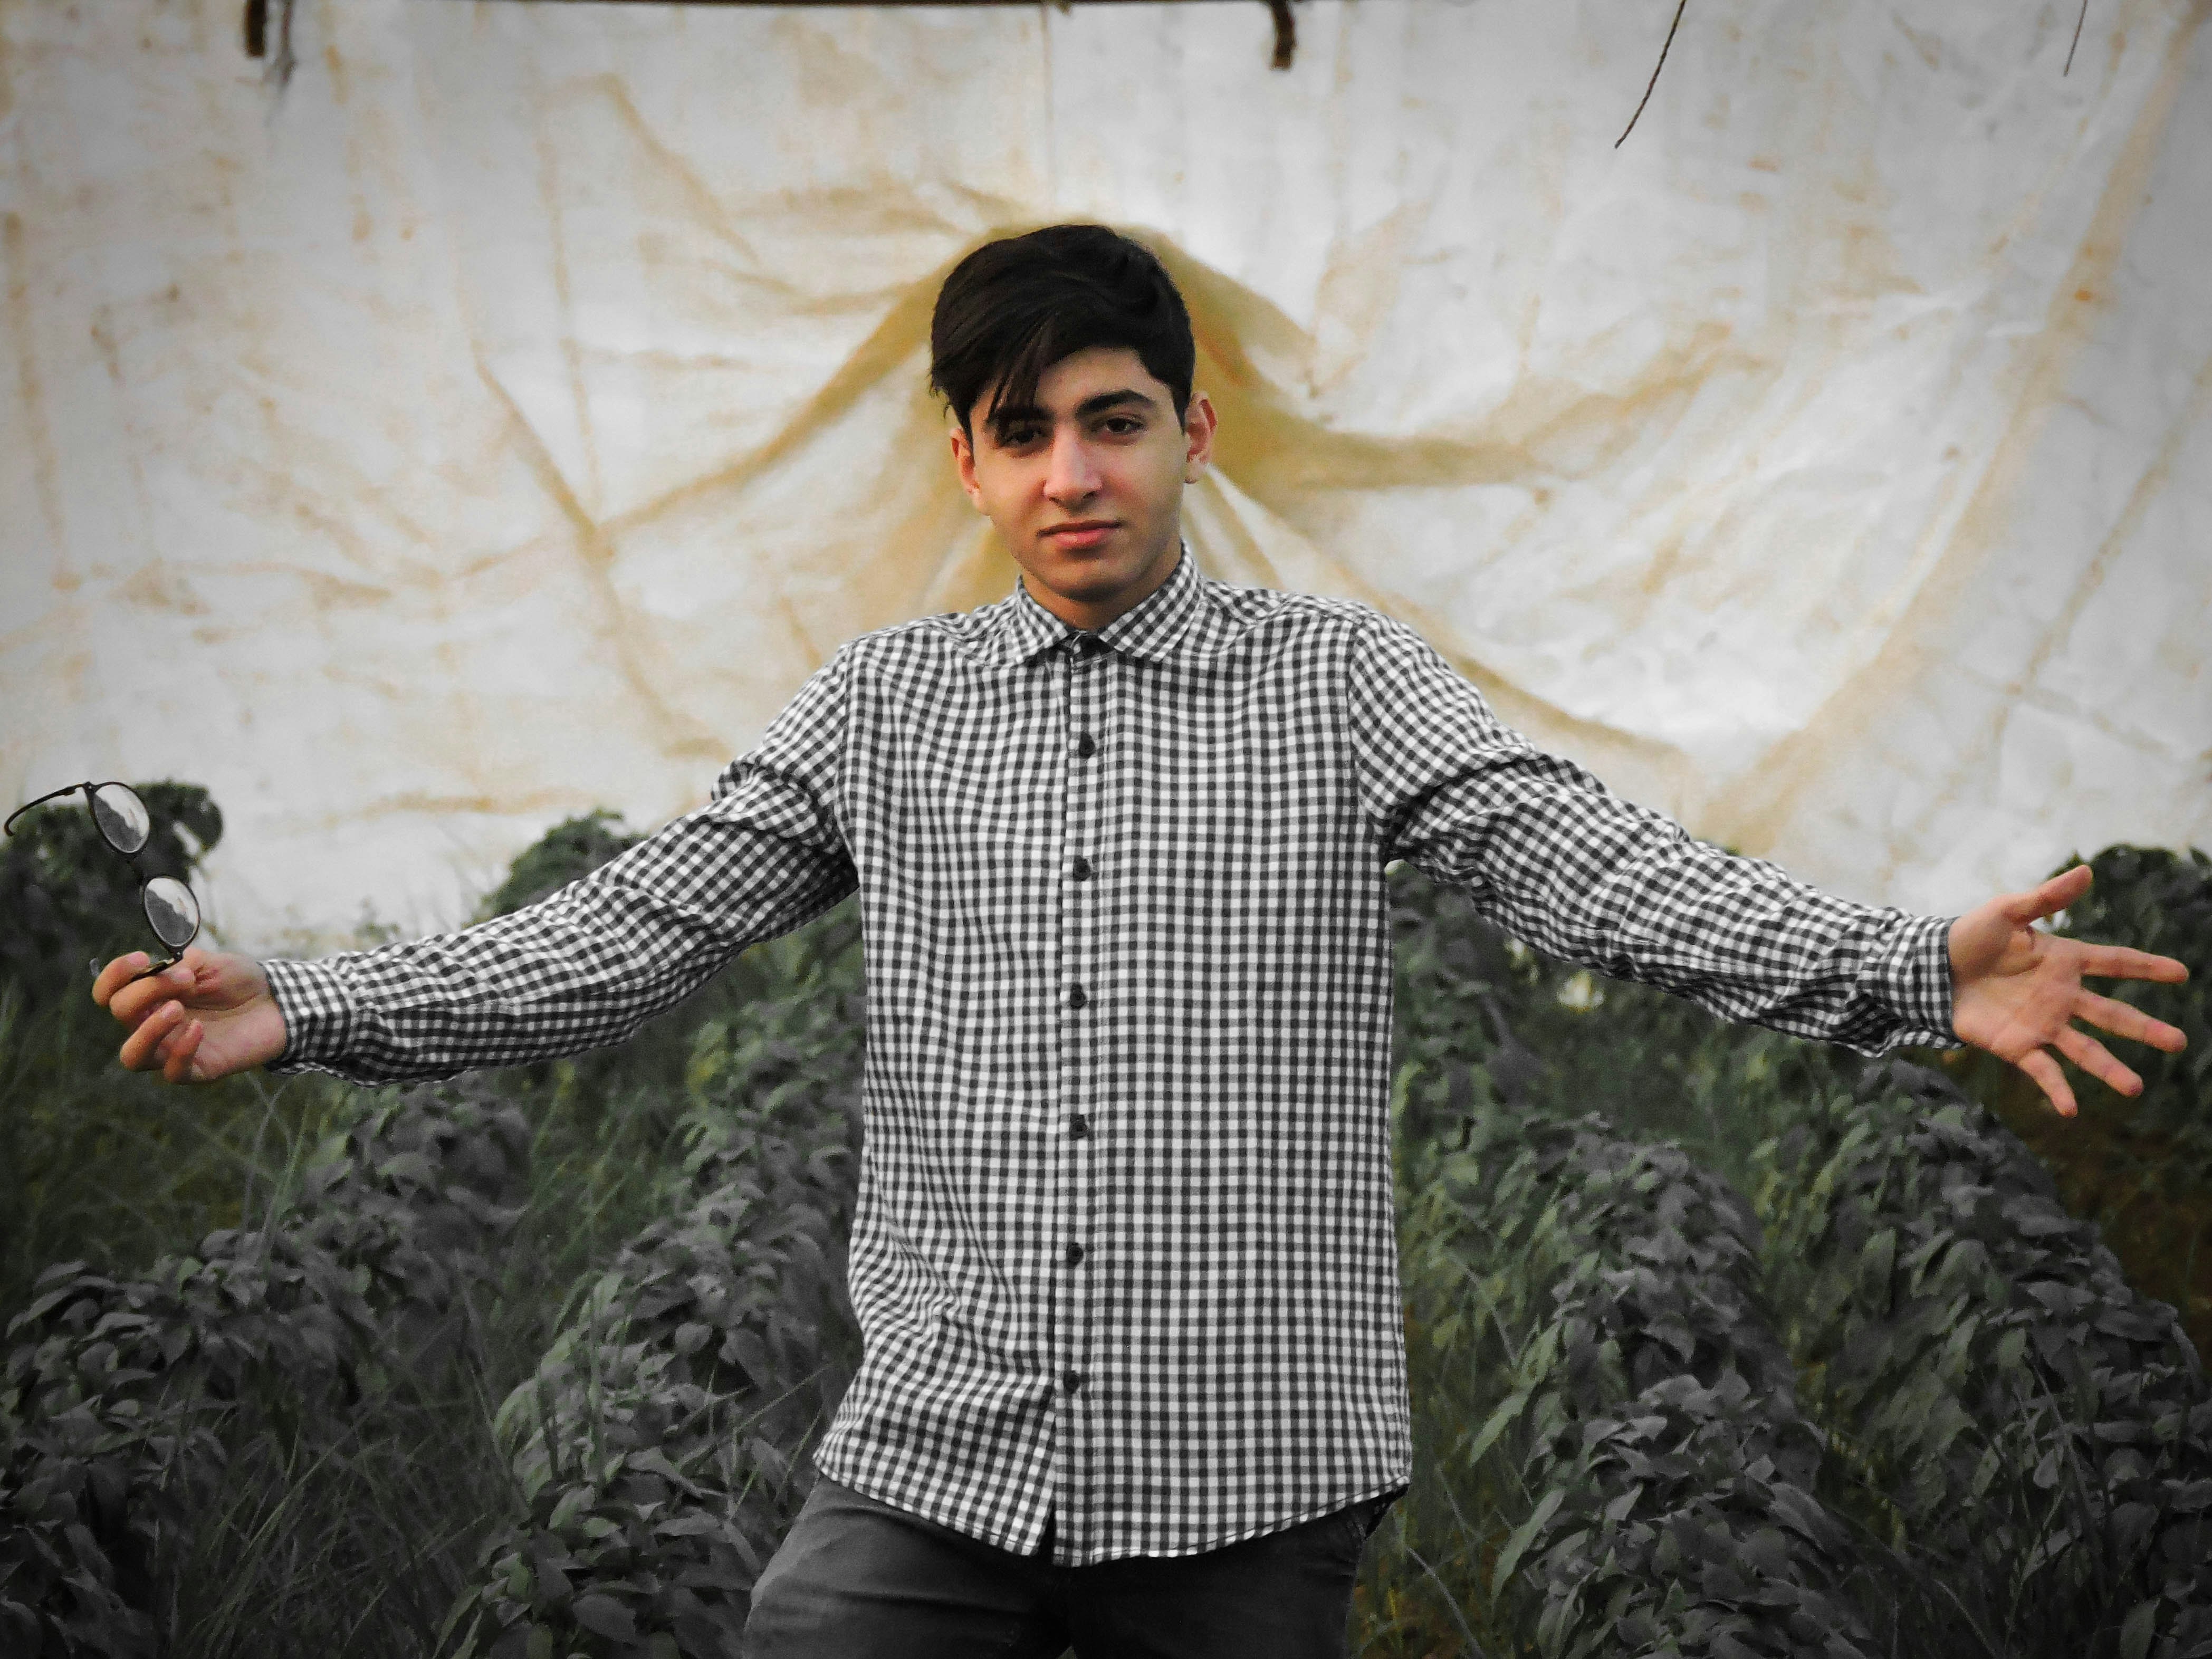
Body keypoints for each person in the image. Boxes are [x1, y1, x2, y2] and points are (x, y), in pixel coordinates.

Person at [93, 224, 2189, 1658]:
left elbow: (1588, 867)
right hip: (934, 1453)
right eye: (1021, 433)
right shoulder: (879, 708)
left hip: (1250, 1470)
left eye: (1109, 417)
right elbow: (633, 934)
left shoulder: (1338, 688)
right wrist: (312, 1001)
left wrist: (1911, 970)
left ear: (1193, 431)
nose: (1070, 470)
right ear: (967, 462)